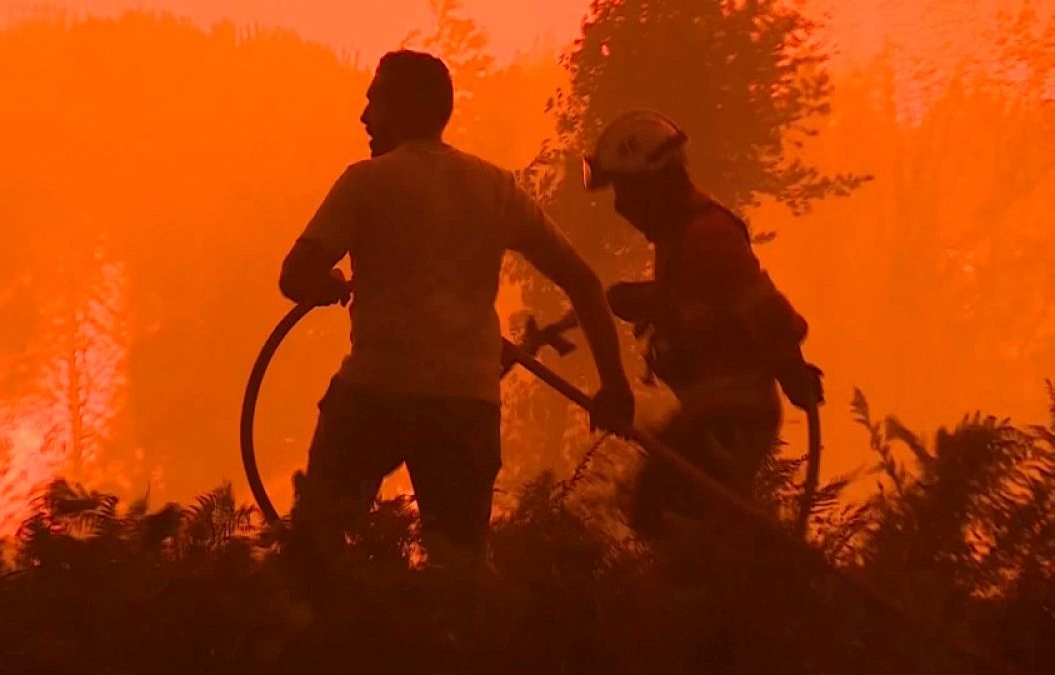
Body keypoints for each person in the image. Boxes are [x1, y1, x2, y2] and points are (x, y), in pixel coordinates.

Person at [278, 50, 634, 563]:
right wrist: (615, 386)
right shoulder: (495, 189)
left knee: (315, 550)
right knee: (459, 570)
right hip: (466, 405)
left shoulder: (365, 182)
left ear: (406, 109)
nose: (363, 117)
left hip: (375, 393)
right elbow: (583, 282)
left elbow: (294, 276)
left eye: (373, 102)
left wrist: (329, 283)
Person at [581, 110, 823, 533]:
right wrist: (647, 298)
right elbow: (705, 301)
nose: (620, 207)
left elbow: (765, 312)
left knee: (669, 518)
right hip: (712, 412)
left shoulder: (707, 237)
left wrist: (793, 372)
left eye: (625, 191)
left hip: (733, 414)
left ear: (655, 185)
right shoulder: (680, 236)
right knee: (671, 514)